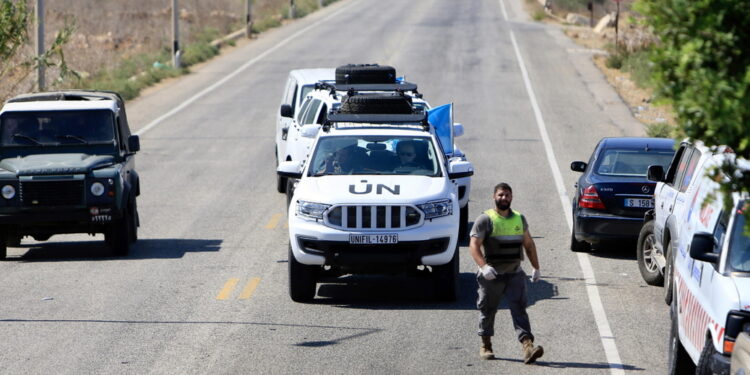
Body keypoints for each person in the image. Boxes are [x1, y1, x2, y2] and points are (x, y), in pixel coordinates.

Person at [469, 182, 544, 364]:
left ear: (512, 197)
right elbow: (474, 245)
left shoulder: (519, 218)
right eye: (501, 195)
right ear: (494, 197)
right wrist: (483, 267)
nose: (504, 198)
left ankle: (527, 346)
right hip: (491, 275)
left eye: (507, 195)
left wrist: (536, 267)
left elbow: (528, 244)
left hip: (514, 274)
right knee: (488, 310)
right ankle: (486, 344)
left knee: (519, 309)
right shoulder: (485, 219)